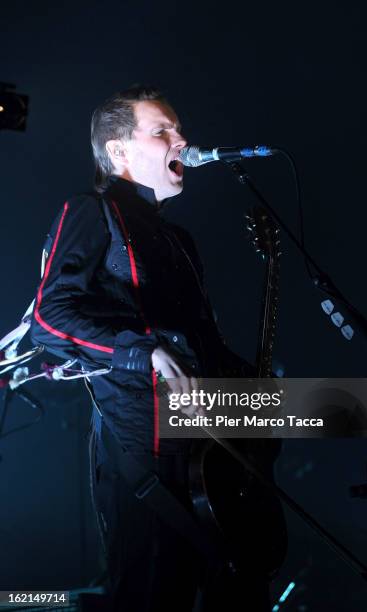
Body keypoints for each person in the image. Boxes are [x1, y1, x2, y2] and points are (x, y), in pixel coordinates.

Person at [30, 84, 276, 611]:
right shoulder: (89, 212)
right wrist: (139, 351)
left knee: (353, 410)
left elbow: (201, 343)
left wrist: (255, 385)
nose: (182, 139)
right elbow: (49, 321)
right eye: (162, 129)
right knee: (151, 592)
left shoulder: (178, 241)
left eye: (179, 128)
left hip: (208, 445)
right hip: (140, 437)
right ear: (118, 151)